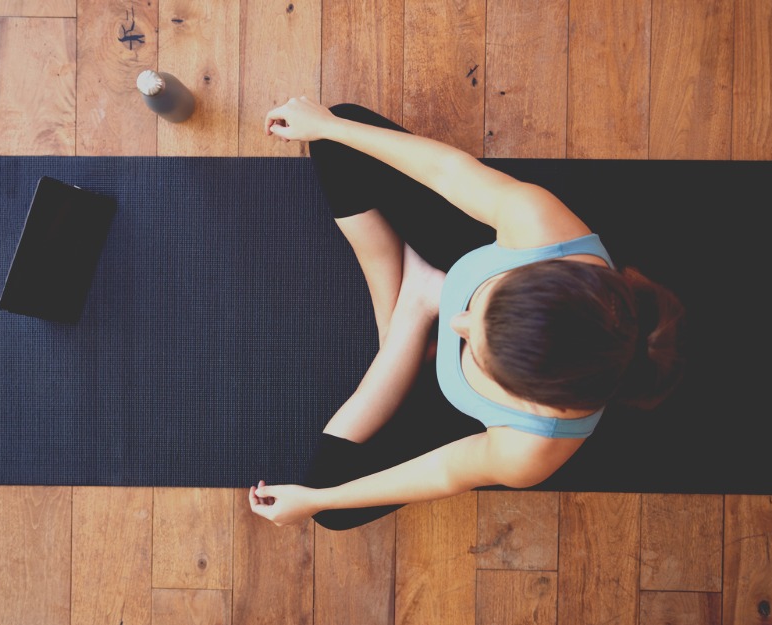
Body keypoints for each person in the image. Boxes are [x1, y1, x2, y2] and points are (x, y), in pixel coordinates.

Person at [248, 97, 686, 530]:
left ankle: (413, 310)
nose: (456, 321)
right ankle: (404, 313)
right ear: (534, 270)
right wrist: (326, 127)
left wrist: (318, 499)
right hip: (458, 257)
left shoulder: (529, 449)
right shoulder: (540, 228)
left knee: (329, 504)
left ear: (529, 396)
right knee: (339, 131)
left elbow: (446, 472)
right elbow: (448, 171)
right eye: (479, 306)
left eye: (475, 350)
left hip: (443, 302)